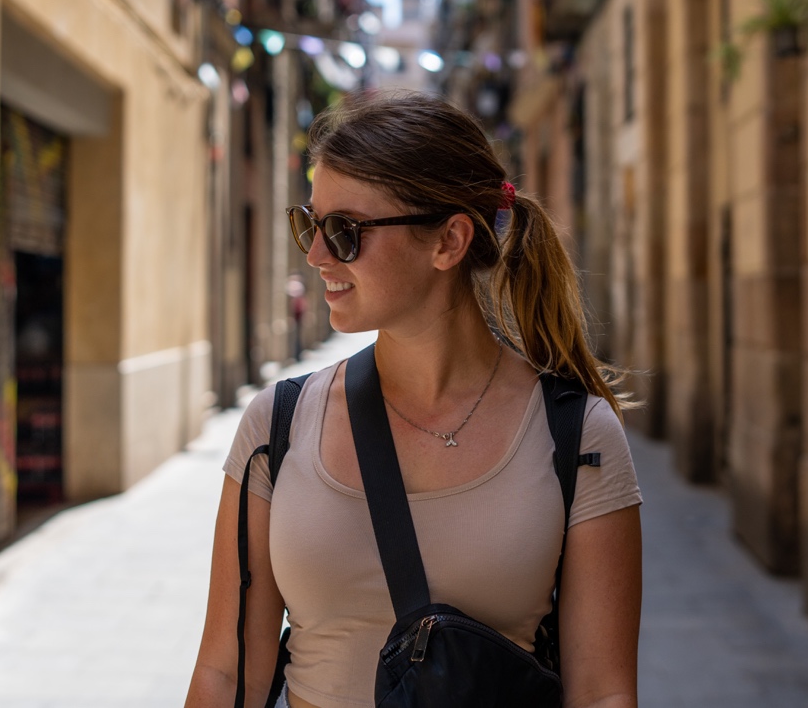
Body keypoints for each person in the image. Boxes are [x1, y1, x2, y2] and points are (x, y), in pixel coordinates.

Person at [185, 92, 642, 708]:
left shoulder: (578, 437)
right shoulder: (280, 424)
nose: (318, 255)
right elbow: (224, 673)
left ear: (448, 242)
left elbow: (604, 694)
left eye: (345, 231)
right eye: (309, 225)